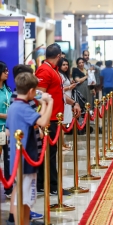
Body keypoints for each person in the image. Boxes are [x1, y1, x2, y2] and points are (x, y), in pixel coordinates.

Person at [6, 72, 53, 225]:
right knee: (25, 198)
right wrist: (49, 102)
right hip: (25, 160)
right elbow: (44, 122)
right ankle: (20, 221)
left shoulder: (14, 107)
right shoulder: (23, 108)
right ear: (32, 91)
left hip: (17, 158)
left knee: (23, 197)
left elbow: (36, 121)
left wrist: (43, 104)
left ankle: (23, 222)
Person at [35, 43, 81, 195]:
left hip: (56, 117)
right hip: (49, 119)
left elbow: (59, 94)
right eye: (61, 56)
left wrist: (74, 102)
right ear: (58, 56)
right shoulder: (44, 70)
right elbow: (38, 95)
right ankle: (52, 186)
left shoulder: (54, 70)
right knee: (50, 153)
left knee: (50, 152)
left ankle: (44, 183)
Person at [58, 58, 77, 150]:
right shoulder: (60, 75)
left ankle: (63, 143)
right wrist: (70, 87)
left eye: (66, 64)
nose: (65, 66)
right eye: (63, 65)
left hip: (67, 100)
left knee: (65, 123)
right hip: (64, 100)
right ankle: (61, 144)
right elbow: (60, 89)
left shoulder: (65, 75)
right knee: (63, 123)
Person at [0, 61, 12, 200]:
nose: (7, 73)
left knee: (9, 160)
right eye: (4, 71)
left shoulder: (8, 91)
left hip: (8, 130)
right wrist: (6, 115)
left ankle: (9, 188)